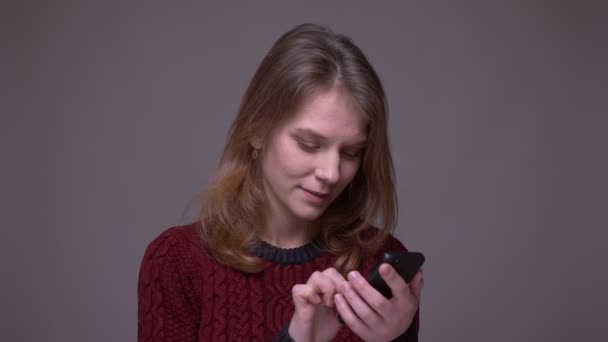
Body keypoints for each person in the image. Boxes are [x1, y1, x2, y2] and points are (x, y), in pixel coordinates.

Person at [138, 23, 424, 342]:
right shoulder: (177, 262)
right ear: (258, 130)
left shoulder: (380, 263)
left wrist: (397, 339)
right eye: (309, 144)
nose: (331, 173)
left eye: (351, 152)